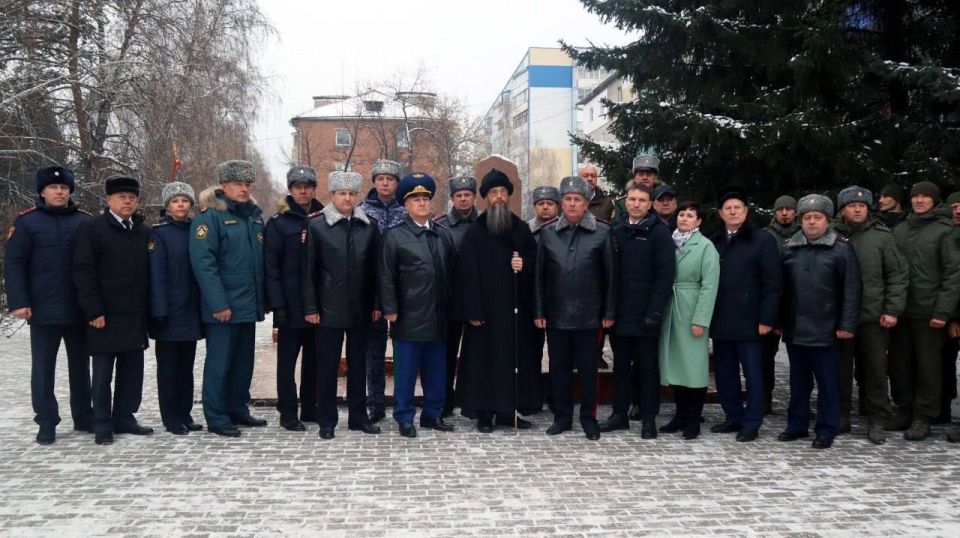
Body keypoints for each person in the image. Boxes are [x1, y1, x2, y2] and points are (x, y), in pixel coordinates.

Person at [5, 165, 93, 444]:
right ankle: (46, 421)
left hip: (78, 308)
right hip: (43, 308)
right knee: (43, 369)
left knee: (81, 366)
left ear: (70, 192)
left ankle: (84, 416)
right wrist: (19, 301)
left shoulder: (84, 221)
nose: (59, 192)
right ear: (42, 192)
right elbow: (14, 263)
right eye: (53, 188)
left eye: (64, 188)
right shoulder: (27, 222)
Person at [455, 169, 540, 432]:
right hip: (485, 313)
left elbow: (536, 265)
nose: (499, 197)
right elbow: (466, 274)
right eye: (494, 193)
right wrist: (472, 310)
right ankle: (484, 413)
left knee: (512, 362)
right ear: (486, 198)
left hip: (514, 311)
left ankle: (508, 412)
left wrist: (524, 265)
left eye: (503, 192)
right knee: (484, 363)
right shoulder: (475, 232)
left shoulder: (521, 229)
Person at [535, 176, 616, 440]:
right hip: (556, 315)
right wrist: (539, 311)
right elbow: (539, 277)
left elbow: (611, 276)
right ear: (562, 203)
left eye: (577, 200)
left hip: (589, 316)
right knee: (558, 369)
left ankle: (589, 419)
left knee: (588, 370)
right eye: (567, 199)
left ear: (586, 203)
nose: (571, 204)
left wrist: (609, 312)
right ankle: (562, 417)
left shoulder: (602, 232)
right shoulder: (548, 233)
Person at [190, 160, 267, 437]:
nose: (244, 189)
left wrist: (262, 300)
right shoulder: (210, 218)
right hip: (224, 307)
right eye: (237, 184)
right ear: (223, 186)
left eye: (247, 184)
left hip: (247, 305)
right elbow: (204, 264)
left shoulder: (253, 218)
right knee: (219, 364)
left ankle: (237, 408)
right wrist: (218, 303)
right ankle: (216, 415)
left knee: (243, 363)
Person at [777, 194, 861, 449]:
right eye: (807, 217)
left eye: (818, 217)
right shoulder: (789, 248)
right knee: (798, 382)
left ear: (828, 220)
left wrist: (847, 325)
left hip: (828, 330)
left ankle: (826, 428)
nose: (812, 222)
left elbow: (851, 290)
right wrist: (779, 320)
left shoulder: (842, 249)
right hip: (796, 328)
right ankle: (797, 425)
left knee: (828, 384)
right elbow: (781, 289)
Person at [73, 175, 152, 445]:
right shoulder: (92, 228)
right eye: (121, 197)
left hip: (134, 313)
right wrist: (93, 310)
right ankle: (102, 423)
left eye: (132, 197)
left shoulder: (142, 230)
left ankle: (124, 417)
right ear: (108, 200)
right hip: (104, 314)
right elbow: (83, 271)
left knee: (132, 371)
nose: (127, 201)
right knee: (103, 373)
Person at [302, 171, 381, 439]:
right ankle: (327, 420)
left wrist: (376, 303)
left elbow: (376, 270)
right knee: (327, 367)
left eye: (351, 194)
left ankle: (358, 417)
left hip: (361, 307)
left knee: (358, 365)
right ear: (332, 195)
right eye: (342, 193)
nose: (347, 198)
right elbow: (308, 271)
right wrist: (311, 308)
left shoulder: (369, 226)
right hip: (328, 308)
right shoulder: (317, 226)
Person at [378, 173, 457, 438]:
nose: (422, 203)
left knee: (436, 370)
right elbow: (385, 274)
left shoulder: (442, 234)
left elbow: (453, 272)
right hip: (409, 315)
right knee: (406, 372)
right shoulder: (395, 236)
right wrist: (390, 308)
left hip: (438, 315)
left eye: (425, 199)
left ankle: (432, 414)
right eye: (415, 200)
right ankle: (404, 416)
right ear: (406, 205)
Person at [832, 186, 908, 444]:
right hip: (839, 316)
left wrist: (892, 309)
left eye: (862, 205)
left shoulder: (882, 237)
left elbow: (897, 275)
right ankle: (840, 413)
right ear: (843, 209)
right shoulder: (831, 235)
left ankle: (877, 418)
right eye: (851, 205)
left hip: (873, 316)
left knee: (876, 370)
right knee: (840, 369)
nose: (857, 209)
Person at [599, 183, 674, 437]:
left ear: (650, 204)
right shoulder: (616, 231)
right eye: (632, 199)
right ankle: (619, 414)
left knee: (648, 368)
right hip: (620, 314)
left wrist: (655, 312)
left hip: (646, 315)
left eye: (642, 200)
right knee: (620, 367)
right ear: (626, 201)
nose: (636, 204)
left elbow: (665, 275)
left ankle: (648, 417)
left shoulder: (659, 233)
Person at [708, 186, 782, 442]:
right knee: (725, 374)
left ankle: (752, 421)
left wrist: (767, 319)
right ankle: (733, 416)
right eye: (727, 208)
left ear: (746, 211)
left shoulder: (762, 240)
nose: (732, 212)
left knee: (753, 374)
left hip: (751, 322)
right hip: (721, 319)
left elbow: (772, 283)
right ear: (720, 213)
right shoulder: (715, 241)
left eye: (737, 207)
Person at [888, 181, 960, 441]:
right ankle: (904, 410)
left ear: (934, 200)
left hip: (929, 312)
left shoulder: (945, 231)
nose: (919, 200)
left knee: (928, 367)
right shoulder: (900, 229)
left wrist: (943, 312)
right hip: (900, 310)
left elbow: (953, 274)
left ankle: (923, 416)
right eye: (915, 196)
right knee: (899, 365)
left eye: (925, 197)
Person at [264, 165, 323, 431]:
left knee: (314, 360)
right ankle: (288, 412)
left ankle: (310, 407)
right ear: (290, 190)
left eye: (307, 186)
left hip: (318, 305)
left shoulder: (324, 218)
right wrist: (277, 304)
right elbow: (271, 267)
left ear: (314, 189)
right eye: (298, 187)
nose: (303, 191)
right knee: (287, 363)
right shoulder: (279, 223)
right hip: (289, 304)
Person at [658, 201, 720, 440]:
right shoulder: (669, 242)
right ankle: (680, 415)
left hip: (691, 309)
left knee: (693, 366)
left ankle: (694, 418)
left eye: (690, 215)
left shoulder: (705, 246)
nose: (684, 218)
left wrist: (701, 319)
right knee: (676, 366)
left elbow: (710, 285)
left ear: (699, 221)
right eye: (681, 214)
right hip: (671, 310)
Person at [148, 181, 204, 435]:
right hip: (169, 311)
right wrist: (159, 310)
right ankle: (171, 417)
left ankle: (185, 413)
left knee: (186, 367)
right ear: (167, 206)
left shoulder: (197, 230)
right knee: (169, 369)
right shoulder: (159, 234)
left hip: (191, 309)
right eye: (175, 201)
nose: (180, 205)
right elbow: (156, 274)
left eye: (184, 201)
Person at [359, 159, 406, 423]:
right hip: (371, 292)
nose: (385, 183)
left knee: (404, 352)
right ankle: (376, 405)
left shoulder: (407, 211)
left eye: (390, 179)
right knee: (373, 353)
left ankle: (402, 404)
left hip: (404, 291)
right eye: (380, 179)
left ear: (397, 183)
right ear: (374, 182)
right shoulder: (361, 211)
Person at [433, 175, 478, 417]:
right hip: (449, 300)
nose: (462, 199)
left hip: (477, 300)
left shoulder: (485, 224)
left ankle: (473, 400)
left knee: (476, 354)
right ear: (452, 198)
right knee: (446, 354)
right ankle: (445, 400)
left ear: (474, 197)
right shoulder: (440, 226)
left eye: (467, 195)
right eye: (458, 195)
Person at [760, 195, 799, 413]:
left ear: (796, 212)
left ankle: (800, 403)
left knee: (800, 359)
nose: (784, 213)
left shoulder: (805, 234)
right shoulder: (766, 236)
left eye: (789, 209)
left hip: (797, 303)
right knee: (765, 358)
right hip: (772, 302)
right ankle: (764, 399)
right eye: (780, 209)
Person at [527, 185, 560, 412]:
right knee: (533, 351)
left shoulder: (564, 229)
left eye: (550, 203)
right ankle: (533, 396)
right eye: (541, 204)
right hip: (532, 299)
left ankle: (557, 397)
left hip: (558, 297)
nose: (545, 207)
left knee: (559, 354)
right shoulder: (526, 230)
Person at [614, 153, 661, 220]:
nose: (644, 177)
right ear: (634, 177)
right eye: (641, 174)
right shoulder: (621, 203)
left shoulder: (665, 200)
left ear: (655, 177)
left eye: (648, 174)